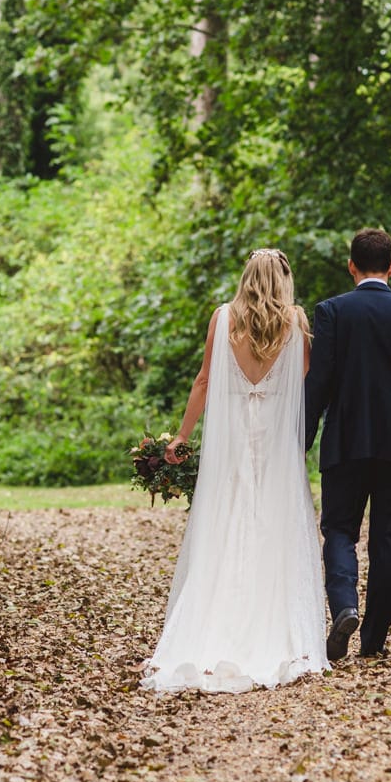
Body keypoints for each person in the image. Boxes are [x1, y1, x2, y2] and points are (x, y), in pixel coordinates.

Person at [142, 249, 330, 693]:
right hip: (275, 443)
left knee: (226, 522)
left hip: (233, 441)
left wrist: (182, 437)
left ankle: (214, 620)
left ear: (246, 277)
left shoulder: (223, 317)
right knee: (272, 522)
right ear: (283, 278)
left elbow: (205, 380)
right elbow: (304, 378)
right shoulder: (296, 321)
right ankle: (271, 622)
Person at [304, 227, 391, 661]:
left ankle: (345, 606)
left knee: (339, 530)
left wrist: (301, 441)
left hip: (345, 441)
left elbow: (318, 384)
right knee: (388, 538)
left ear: (351, 266)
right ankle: (374, 640)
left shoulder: (331, 312)